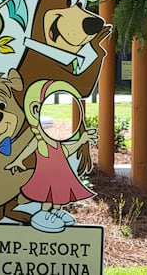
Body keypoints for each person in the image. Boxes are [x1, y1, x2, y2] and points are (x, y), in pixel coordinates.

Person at [6, 79, 97, 233]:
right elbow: (29, 149)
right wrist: (18, 160)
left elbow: (67, 151)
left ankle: (56, 212)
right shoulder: (40, 141)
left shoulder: (55, 142)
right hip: (46, 176)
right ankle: (43, 214)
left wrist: (82, 140)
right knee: (47, 196)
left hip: (60, 175)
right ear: (35, 110)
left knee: (58, 196)